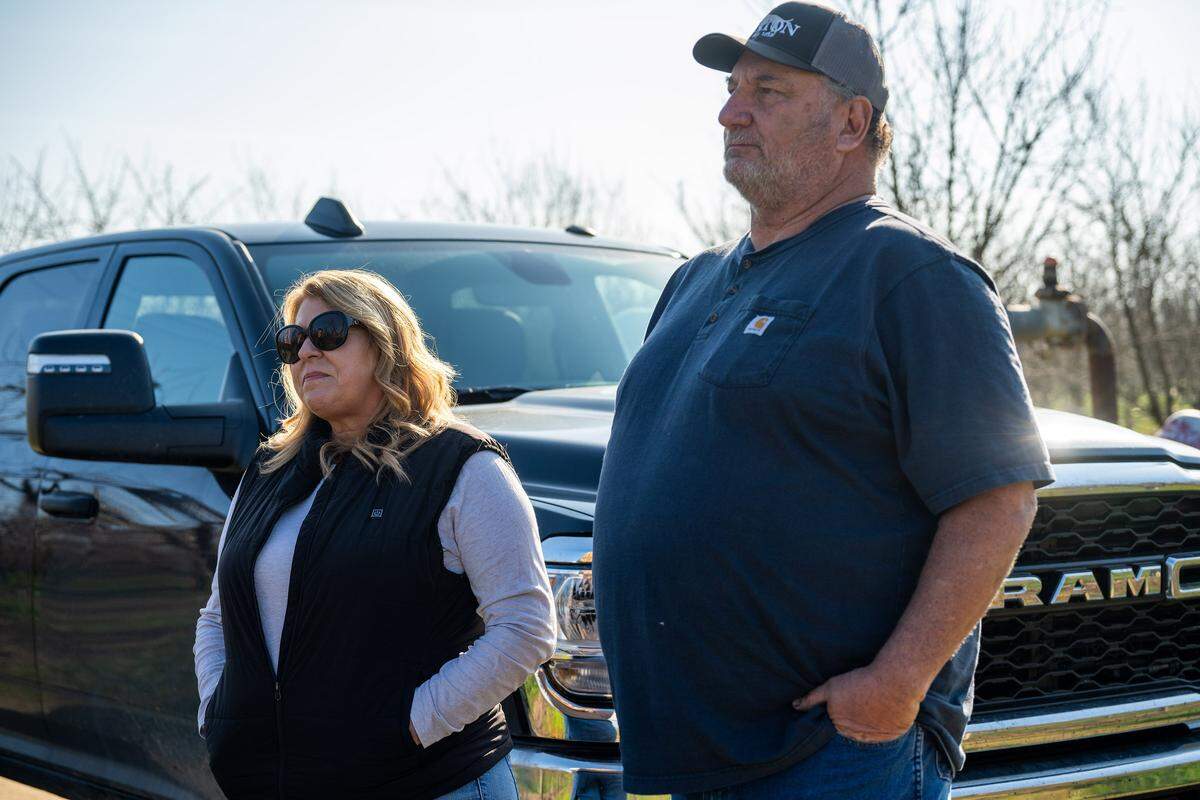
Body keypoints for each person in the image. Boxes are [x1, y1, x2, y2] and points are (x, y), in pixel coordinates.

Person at [592, 4, 1054, 799]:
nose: (730, 111)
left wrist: (897, 683)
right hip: (699, 753)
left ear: (850, 122)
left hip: (833, 753)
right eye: (734, 89)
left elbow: (997, 500)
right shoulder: (694, 278)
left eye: (767, 91)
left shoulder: (912, 276)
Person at [192, 268, 556, 799]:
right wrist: (218, 712)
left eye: (330, 333)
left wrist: (411, 724)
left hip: (429, 783)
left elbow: (525, 627)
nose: (307, 353)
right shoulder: (268, 470)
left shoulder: (462, 465)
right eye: (293, 341)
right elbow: (217, 618)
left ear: (386, 342)